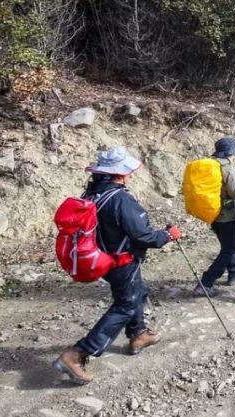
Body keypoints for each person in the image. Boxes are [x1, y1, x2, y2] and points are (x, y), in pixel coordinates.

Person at [53, 147, 179, 385]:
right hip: (122, 261)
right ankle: (76, 354)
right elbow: (143, 237)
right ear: (119, 174)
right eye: (128, 172)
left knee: (136, 293)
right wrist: (168, 235)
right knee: (125, 304)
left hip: (101, 259)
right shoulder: (120, 199)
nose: (130, 175)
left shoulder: (91, 194)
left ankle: (138, 334)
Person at [196, 137, 235, 295]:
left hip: (211, 212)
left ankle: (234, 273)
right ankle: (206, 282)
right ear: (229, 152)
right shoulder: (226, 168)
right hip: (226, 214)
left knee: (227, 246)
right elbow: (234, 192)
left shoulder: (208, 164)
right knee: (230, 248)